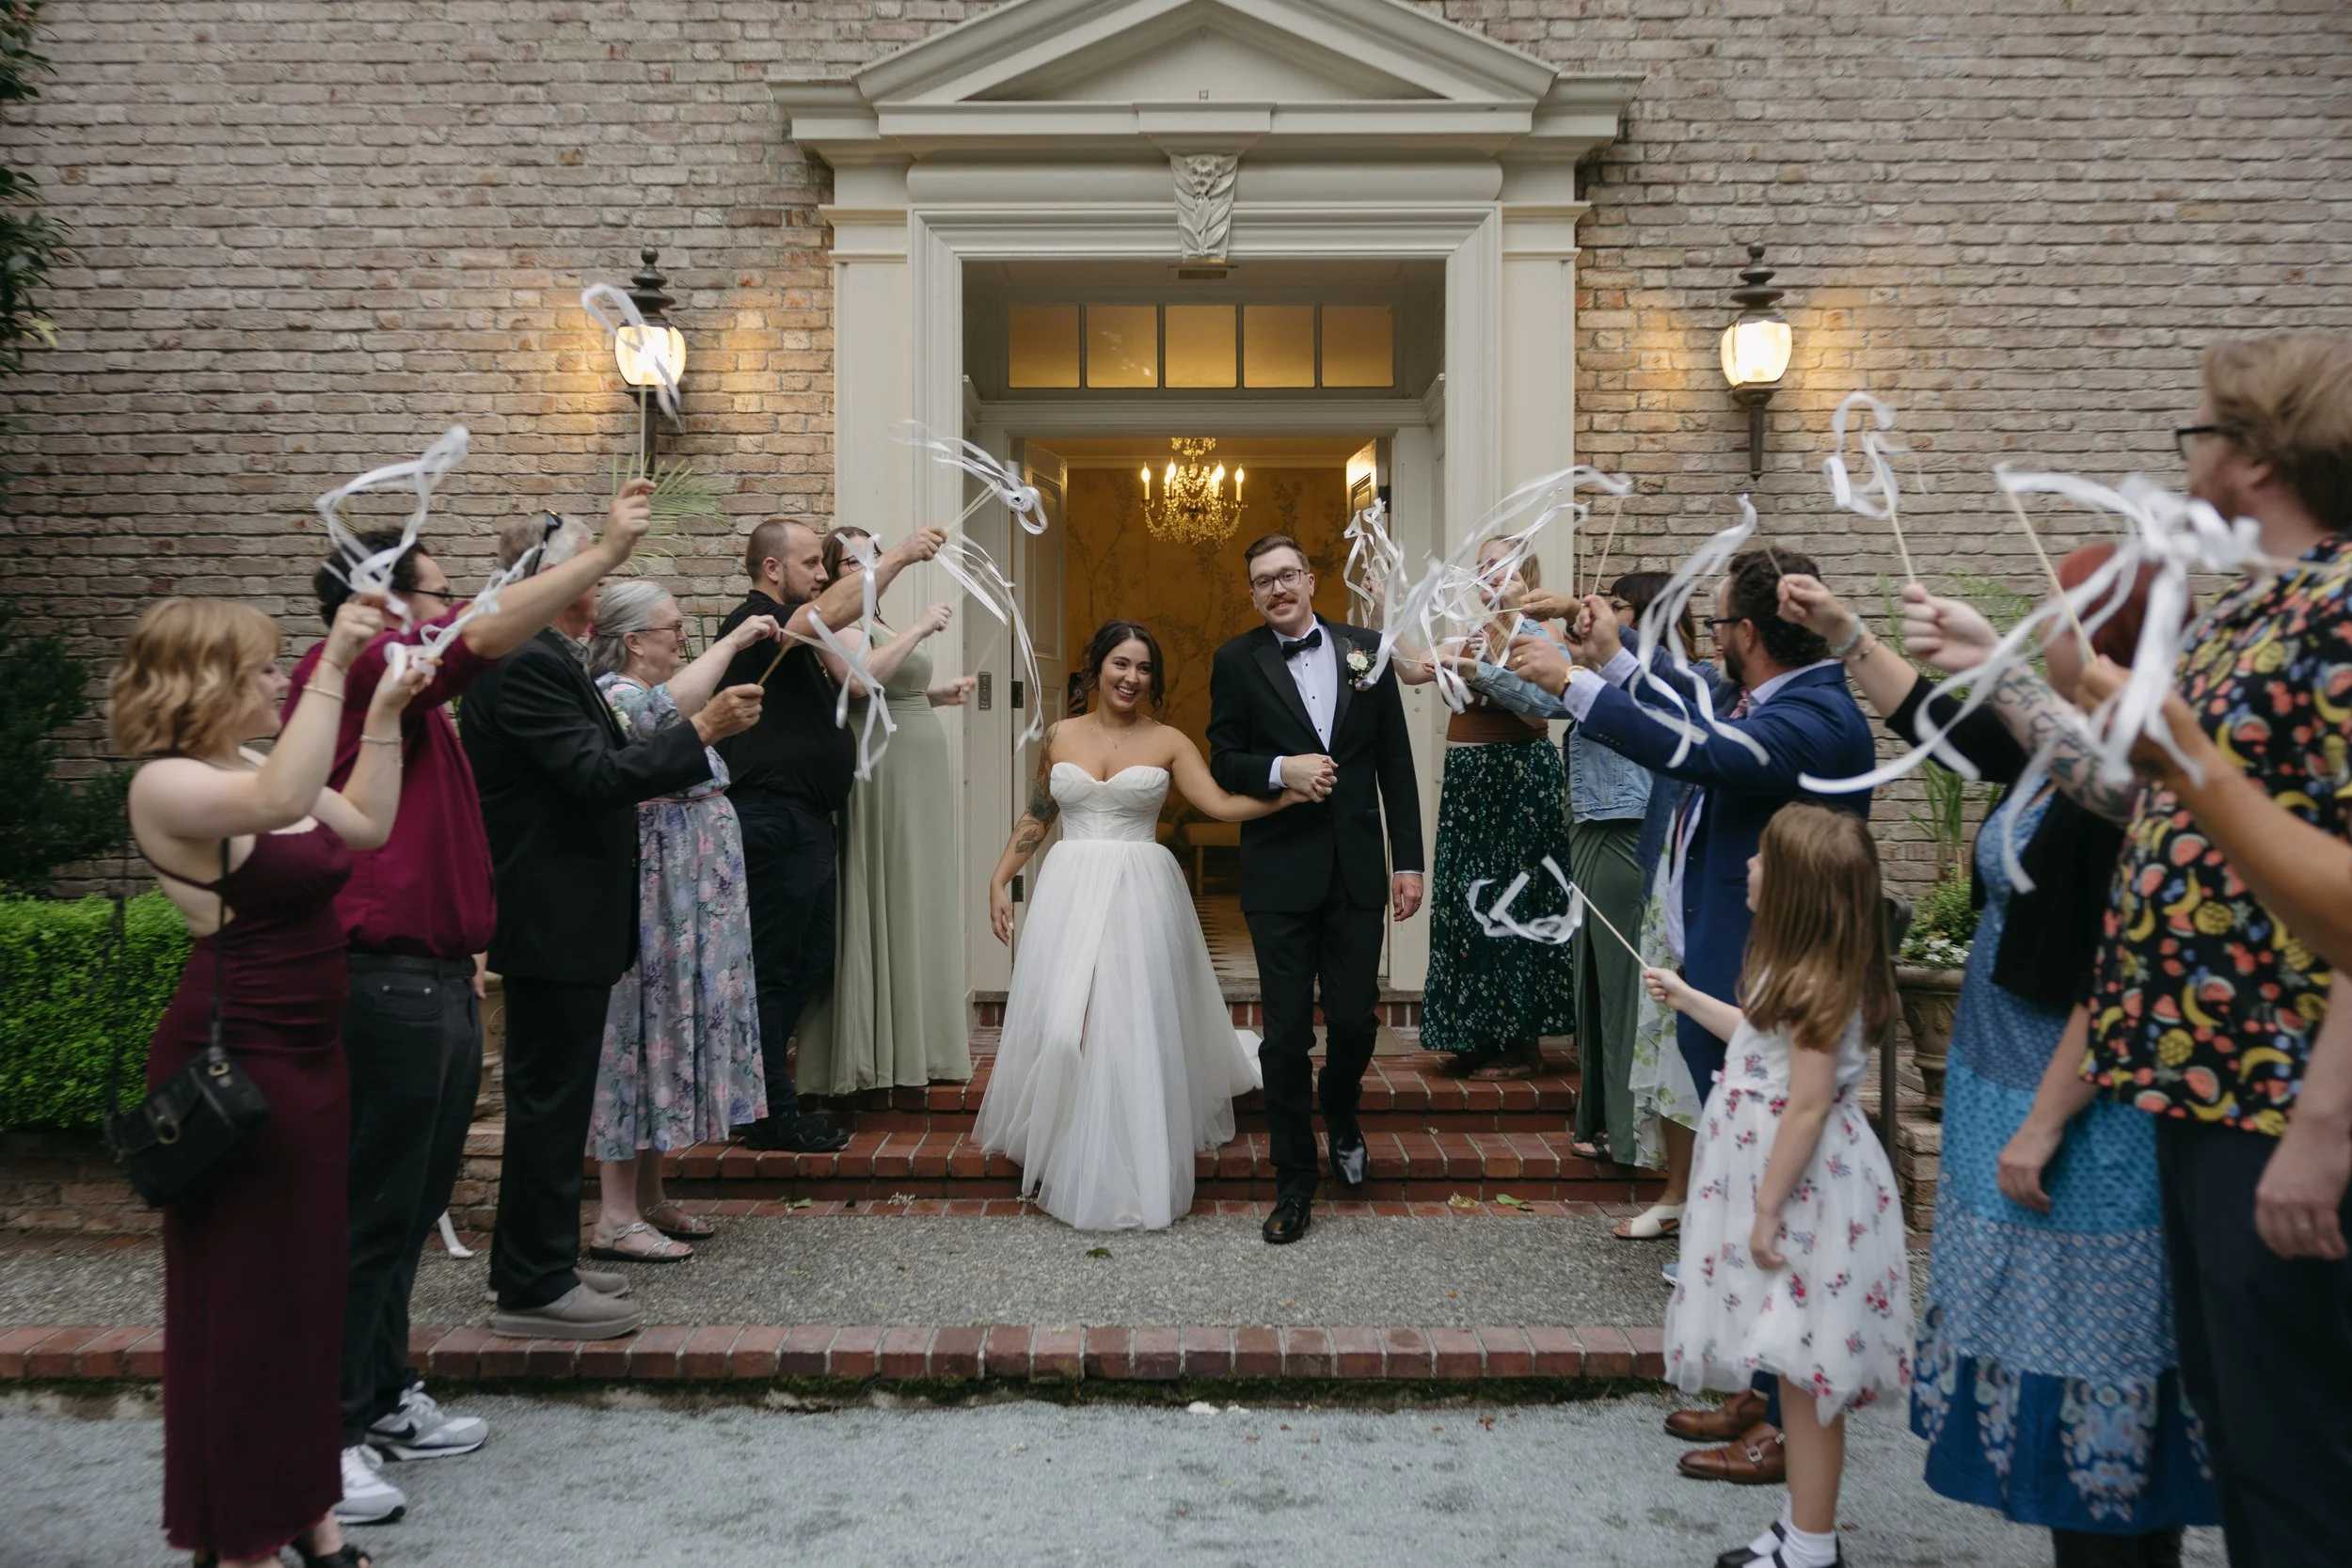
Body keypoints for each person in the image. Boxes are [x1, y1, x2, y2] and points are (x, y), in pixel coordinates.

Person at [1899, 331, 2352, 1564]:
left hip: (2275, 1095)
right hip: (2196, 1091)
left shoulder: (2338, 611)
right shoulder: (2250, 620)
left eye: (2198, 433)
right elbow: (2151, 795)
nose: (2185, 460)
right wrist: (2082, 696)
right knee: (2250, 1450)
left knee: (2301, 1466)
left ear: (2255, 458)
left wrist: (2326, 1120)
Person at [1780, 561, 2216, 1559]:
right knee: (2042, 1357)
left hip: (2078, 1110)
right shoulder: (2050, 745)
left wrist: (2044, 1122)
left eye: (2054, 615)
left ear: (2103, 642)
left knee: (2096, 1356)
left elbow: (2120, 976)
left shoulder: (2135, 775)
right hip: (2004, 1071)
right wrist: (1847, 628)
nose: (2036, 628)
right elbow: (1936, 721)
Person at [281, 481, 660, 1526]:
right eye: (436, 592)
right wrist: (602, 552)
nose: (452, 605)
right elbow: (484, 631)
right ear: (381, 603)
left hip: (439, 973)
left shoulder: (412, 696)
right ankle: (329, 1432)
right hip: (383, 976)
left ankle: (385, 1392)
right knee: (369, 1214)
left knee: (404, 1209)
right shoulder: (354, 670)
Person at [1503, 546, 1877, 1481]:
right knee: (1746, 1169)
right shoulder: (1777, 695)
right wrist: (1620, 658)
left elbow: (1700, 747)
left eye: (1714, 629)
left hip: (1772, 983)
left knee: (1776, 1200)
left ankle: (1791, 1426)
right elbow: (1699, 707)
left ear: (1747, 635)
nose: (1709, 647)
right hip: (1729, 971)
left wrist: (1579, 686)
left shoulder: (1817, 719)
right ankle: (1761, 1383)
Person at [111, 593, 428, 1568]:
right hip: (241, 1064)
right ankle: (240, 1535)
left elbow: (366, 822)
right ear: (204, 681)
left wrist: (380, 716)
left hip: (312, 1055)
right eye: (257, 669)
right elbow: (285, 807)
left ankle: (308, 1515)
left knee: (304, 1294)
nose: (272, 682)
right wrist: (334, 661)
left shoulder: (251, 762)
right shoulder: (165, 785)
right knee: (246, 1306)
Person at [460, 516, 768, 1340]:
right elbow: (595, 777)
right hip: (551, 912)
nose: (596, 588)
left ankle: (546, 1262)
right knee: (550, 1101)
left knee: (559, 1103)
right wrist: (700, 732)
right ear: (546, 581)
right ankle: (531, 1286)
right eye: (587, 575)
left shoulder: (549, 660)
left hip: (579, 915)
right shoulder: (522, 665)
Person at [1646, 804, 1913, 1568]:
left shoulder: (1824, 980)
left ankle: (1812, 1544)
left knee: (1805, 1375)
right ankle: (1801, 1526)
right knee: (1793, 1377)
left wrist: (1764, 1209)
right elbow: (1759, 1037)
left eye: (1762, 860)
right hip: (1786, 1181)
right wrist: (1686, 995)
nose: (1749, 869)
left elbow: (1807, 1099)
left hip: (1805, 1194)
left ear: (1796, 888)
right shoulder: (1797, 966)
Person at [977, 621, 1307, 1230]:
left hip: (1139, 893)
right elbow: (1041, 809)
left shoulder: (1169, 741)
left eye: (1143, 668)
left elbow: (1219, 804)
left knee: (1125, 1028)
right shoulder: (1060, 733)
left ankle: (1125, 1170)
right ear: (1097, 666)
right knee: (1061, 1026)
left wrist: (1284, 792)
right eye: (1121, 664)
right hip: (1069, 890)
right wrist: (1000, 878)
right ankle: (1062, 1145)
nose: (1132, 677)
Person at [1207, 532, 1425, 1245]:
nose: (1276, 589)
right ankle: (1294, 1182)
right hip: (1278, 873)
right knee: (1286, 1038)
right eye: (1262, 581)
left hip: (1360, 868)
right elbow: (1226, 759)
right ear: (1252, 595)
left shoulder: (1367, 648)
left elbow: (1395, 760)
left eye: (1287, 575)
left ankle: (1343, 1107)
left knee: (1358, 1020)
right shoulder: (1237, 661)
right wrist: (1281, 769)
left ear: (1309, 578)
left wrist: (1409, 861)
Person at [711, 515, 946, 1152]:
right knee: (774, 967)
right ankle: (766, 1111)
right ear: (772, 568)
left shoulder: (797, 628)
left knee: (809, 962)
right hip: (772, 818)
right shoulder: (755, 621)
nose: (821, 574)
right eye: (812, 563)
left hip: (806, 822)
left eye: (823, 564)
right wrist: (896, 555)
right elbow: (825, 612)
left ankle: (758, 1093)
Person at [576, 579, 787, 1262]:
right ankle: (612, 1213)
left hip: (692, 895)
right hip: (654, 899)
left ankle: (648, 1194)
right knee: (636, 1033)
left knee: (666, 1032)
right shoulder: (615, 694)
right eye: (671, 629)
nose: (681, 639)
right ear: (633, 639)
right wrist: (735, 638)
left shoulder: (646, 692)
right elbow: (667, 712)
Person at [1486, 571, 1698, 1219]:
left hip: (1625, 826)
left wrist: (1564, 617)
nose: (1600, 620)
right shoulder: (1607, 673)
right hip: (1592, 824)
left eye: (1621, 609)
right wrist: (1479, 660)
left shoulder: (1663, 681)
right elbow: (1549, 694)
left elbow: (1568, 695)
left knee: (1628, 982)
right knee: (1598, 983)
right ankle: (1606, 1122)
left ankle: (1638, 1137)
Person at [795, 526, 978, 1096]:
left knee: (916, 893)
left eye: (873, 555)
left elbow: (892, 690)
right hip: (879, 772)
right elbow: (861, 679)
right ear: (830, 573)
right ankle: (870, 1052)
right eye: (853, 562)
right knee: (886, 888)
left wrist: (936, 695)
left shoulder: (877, 621)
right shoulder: (832, 623)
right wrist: (923, 626)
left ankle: (919, 1041)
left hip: (914, 771)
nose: (869, 566)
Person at [1392, 538, 1574, 1081]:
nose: (1485, 574)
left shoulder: (1537, 634)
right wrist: (1386, 611)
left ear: (1525, 573)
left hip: (1515, 782)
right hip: (1470, 787)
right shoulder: (1474, 634)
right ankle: (1474, 1037)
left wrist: (1473, 668)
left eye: (1497, 566)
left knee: (1509, 900)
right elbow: (1411, 671)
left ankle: (1520, 1045)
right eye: (1480, 568)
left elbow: (1544, 704)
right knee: (1466, 905)